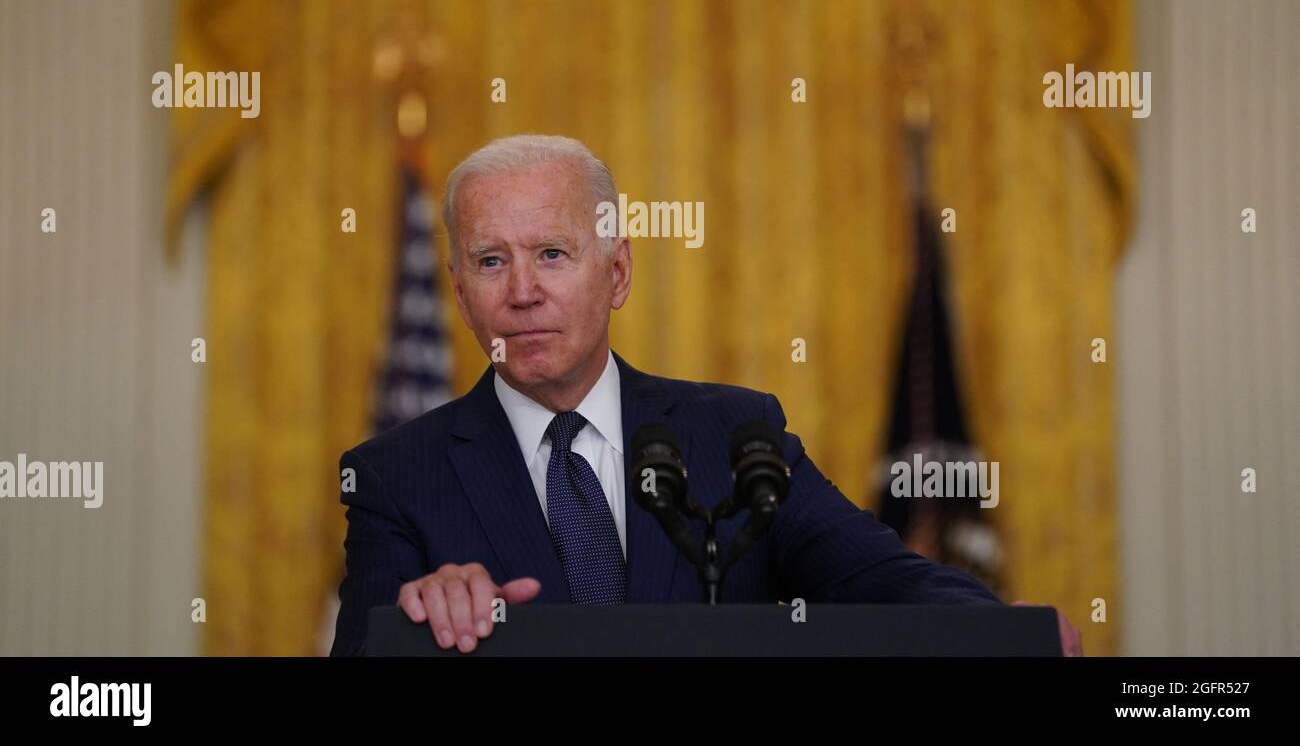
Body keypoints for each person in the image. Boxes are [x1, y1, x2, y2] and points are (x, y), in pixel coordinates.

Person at [330, 134, 1078, 657]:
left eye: (553, 254)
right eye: (491, 262)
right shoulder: (399, 475)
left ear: (617, 272)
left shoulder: (736, 436)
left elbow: (884, 579)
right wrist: (417, 624)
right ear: (459, 295)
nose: (523, 292)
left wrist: (1007, 634)